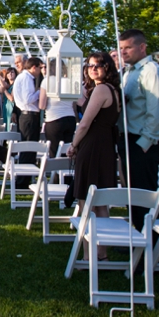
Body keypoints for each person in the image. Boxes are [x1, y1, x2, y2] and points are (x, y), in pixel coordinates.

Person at [67, 51, 121, 260]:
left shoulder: (101, 90)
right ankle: (102, 252)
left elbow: (85, 123)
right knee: (101, 202)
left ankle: (89, 255)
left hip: (93, 146)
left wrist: (73, 144)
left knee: (86, 201)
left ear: (108, 67)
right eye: (89, 66)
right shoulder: (114, 89)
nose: (93, 69)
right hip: (106, 145)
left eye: (98, 65)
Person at [117, 29, 159, 231]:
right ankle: (138, 237)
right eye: (121, 48)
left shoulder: (152, 71)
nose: (123, 52)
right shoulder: (130, 72)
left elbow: (157, 112)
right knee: (132, 195)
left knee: (144, 195)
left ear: (142, 47)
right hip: (128, 140)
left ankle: (151, 244)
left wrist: (144, 144)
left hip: (142, 143)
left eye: (128, 47)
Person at [13, 57, 44, 171]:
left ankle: (25, 178)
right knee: (28, 149)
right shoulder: (26, 78)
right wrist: (40, 91)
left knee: (29, 149)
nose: (40, 71)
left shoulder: (24, 77)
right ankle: (23, 180)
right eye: (40, 68)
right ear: (34, 67)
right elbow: (28, 99)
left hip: (28, 116)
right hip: (29, 116)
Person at [39, 64, 76, 159]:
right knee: (67, 152)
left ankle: (55, 174)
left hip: (54, 119)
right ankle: (66, 173)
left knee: (54, 152)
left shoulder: (46, 81)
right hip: (70, 118)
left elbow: (42, 105)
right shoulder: (70, 81)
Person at [0, 67, 17, 131]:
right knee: (5, 126)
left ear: (15, 74)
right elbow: (2, 84)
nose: (10, 74)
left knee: (11, 127)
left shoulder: (16, 84)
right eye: (8, 73)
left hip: (12, 108)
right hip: (6, 109)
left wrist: (4, 89)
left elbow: (11, 98)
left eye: (12, 72)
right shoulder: (8, 85)